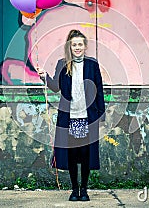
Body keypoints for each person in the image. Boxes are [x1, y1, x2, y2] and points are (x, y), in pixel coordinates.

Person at [36, 29, 105, 202]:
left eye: (80, 44)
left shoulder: (92, 64)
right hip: (70, 117)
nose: (77, 47)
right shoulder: (62, 64)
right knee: (73, 155)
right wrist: (44, 77)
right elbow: (55, 87)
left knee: (86, 155)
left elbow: (99, 89)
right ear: (69, 46)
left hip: (88, 116)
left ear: (85, 46)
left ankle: (85, 190)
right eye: (74, 44)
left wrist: (101, 114)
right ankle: (74, 190)